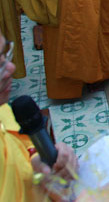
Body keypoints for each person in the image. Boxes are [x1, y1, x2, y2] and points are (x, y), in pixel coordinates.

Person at [0, 31, 78, 201]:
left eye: (5, 54)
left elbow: (22, 147)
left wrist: (40, 158)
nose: (11, 68)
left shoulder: (3, 109)